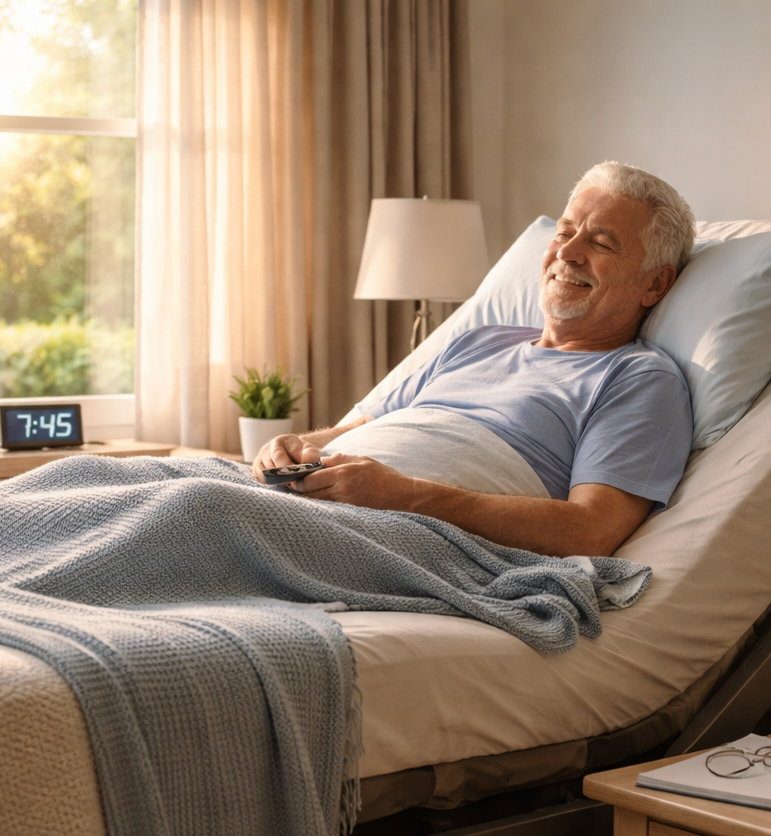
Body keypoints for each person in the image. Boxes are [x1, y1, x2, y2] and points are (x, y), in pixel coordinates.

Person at [254, 162, 695, 558]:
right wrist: (292, 448)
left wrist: (405, 495)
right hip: (317, 505)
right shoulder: (481, 339)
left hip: (398, 536)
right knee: (185, 475)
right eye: (563, 232)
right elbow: (360, 429)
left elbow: (590, 532)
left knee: (194, 507)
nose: (566, 252)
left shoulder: (639, 379)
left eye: (600, 242)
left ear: (655, 284)